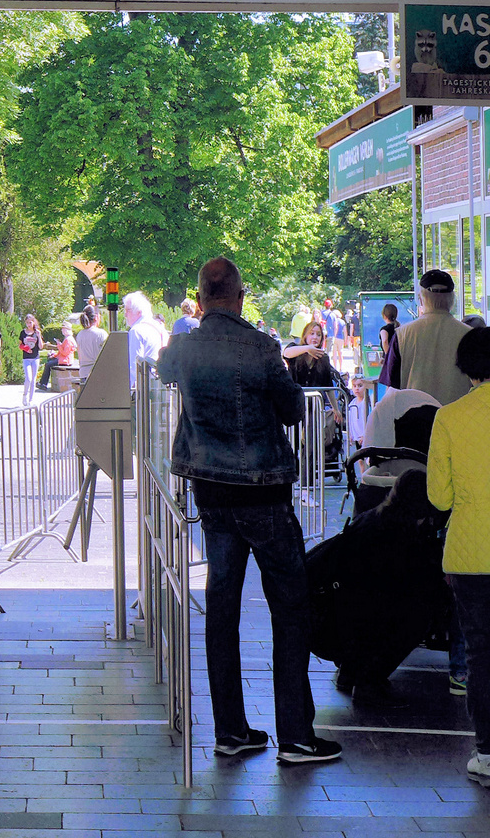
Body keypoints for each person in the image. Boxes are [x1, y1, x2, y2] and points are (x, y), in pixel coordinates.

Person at [157, 256, 340, 765]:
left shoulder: (183, 348)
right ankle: (297, 737)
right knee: (290, 606)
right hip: (263, 492)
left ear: (199, 298)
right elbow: (292, 409)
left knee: (222, 610)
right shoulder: (261, 348)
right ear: (239, 297)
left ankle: (230, 731)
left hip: (211, 495)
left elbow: (163, 371)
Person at [428, 327, 490, 787]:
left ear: (466, 368)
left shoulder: (448, 418)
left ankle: (487, 752)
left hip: (469, 553)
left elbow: (440, 497)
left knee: (481, 654)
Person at [397, 270, 473, 407]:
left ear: (421, 298)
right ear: (453, 299)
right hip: (457, 420)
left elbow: (391, 387)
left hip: (413, 419)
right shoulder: (470, 335)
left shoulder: (402, 335)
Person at [123, 292, 168, 385]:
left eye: (128, 310)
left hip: (145, 388)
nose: (125, 315)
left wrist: (130, 393)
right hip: (163, 385)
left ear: (139, 312)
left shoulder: (136, 331)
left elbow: (134, 366)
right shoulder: (161, 328)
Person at [37, 326, 75, 392]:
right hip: (63, 359)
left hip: (65, 361)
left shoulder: (68, 340)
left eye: (63, 329)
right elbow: (61, 352)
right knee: (49, 361)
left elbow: (65, 353)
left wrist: (58, 345)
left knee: (48, 364)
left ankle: (43, 384)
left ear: (67, 330)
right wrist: (54, 355)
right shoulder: (67, 339)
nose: (62, 331)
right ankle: (43, 383)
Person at [377, 303, 404, 391]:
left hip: (391, 361)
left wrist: (387, 355)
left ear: (384, 315)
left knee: (390, 385)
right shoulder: (400, 328)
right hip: (400, 360)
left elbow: (385, 341)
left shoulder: (384, 329)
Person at [18, 314, 44, 403]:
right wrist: (25, 348)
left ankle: (31, 399)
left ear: (33, 322)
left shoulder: (37, 333)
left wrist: (39, 336)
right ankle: (25, 395)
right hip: (26, 358)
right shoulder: (23, 332)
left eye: (30, 322)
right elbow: (20, 345)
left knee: (33, 379)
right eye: (27, 323)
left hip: (35, 358)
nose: (29, 324)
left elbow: (41, 347)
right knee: (28, 378)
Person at [78, 307, 108, 381]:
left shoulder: (80, 334)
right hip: (98, 374)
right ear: (96, 317)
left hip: (83, 373)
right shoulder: (101, 334)